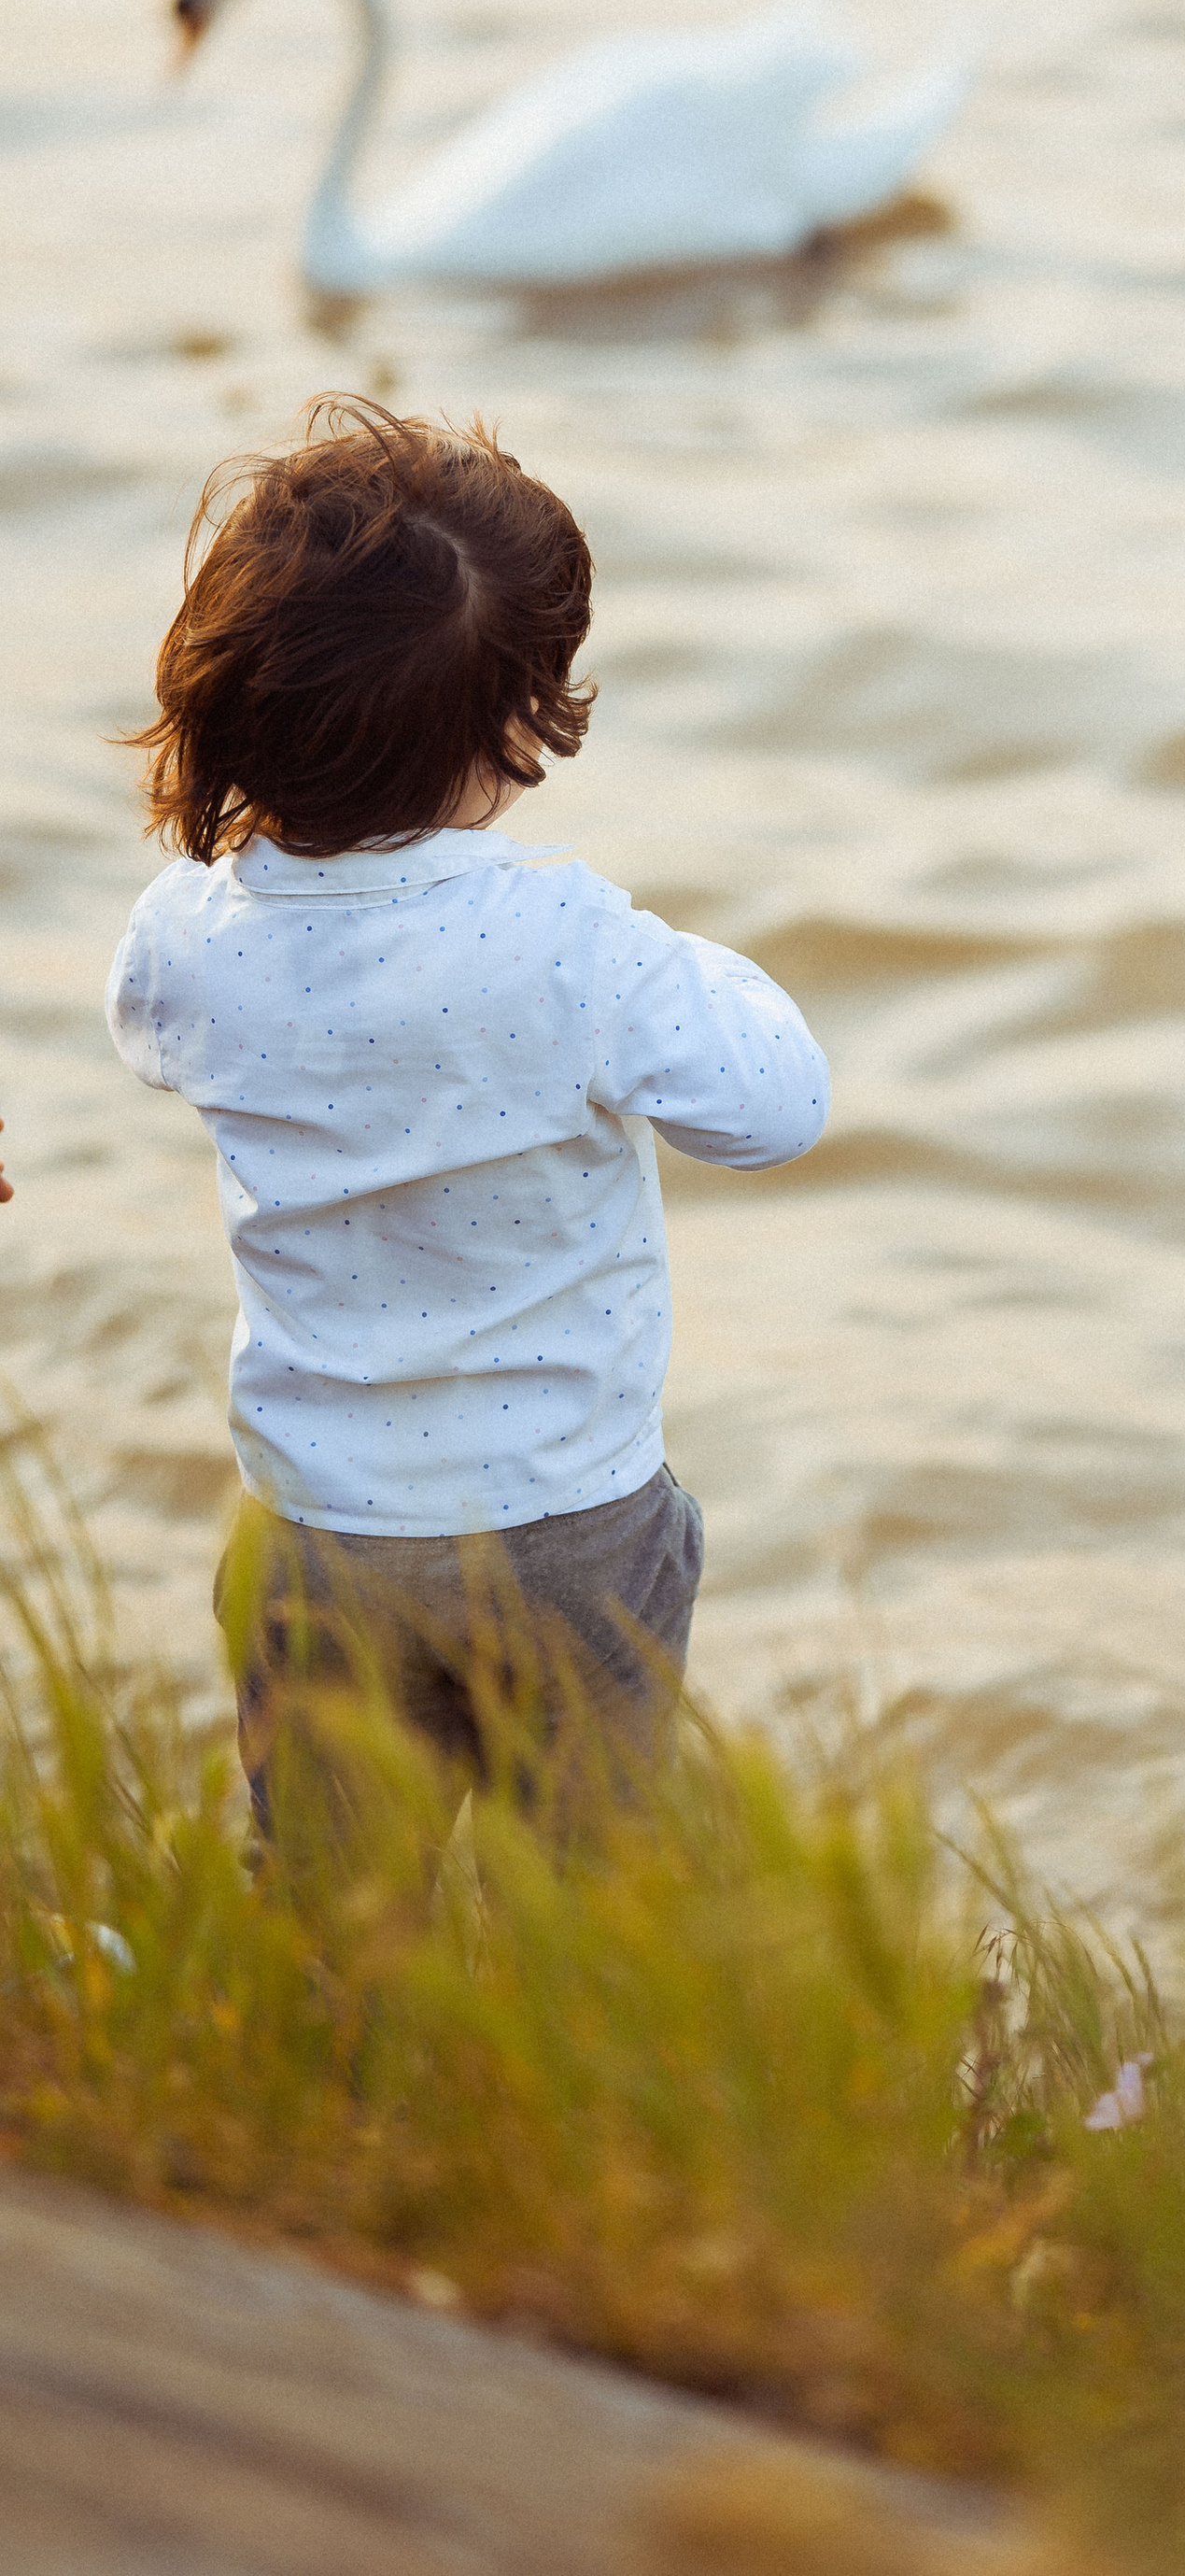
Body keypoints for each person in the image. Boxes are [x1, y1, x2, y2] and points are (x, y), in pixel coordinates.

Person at [105, 396, 828, 1845]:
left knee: (330, 1896)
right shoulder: (566, 943)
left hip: (321, 1532)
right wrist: (685, 962)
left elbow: (153, 1044)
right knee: (592, 1889)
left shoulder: (184, 938)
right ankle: (552, 2068)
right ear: (513, 726)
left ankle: (333, 2066)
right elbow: (777, 1108)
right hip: (567, 1528)